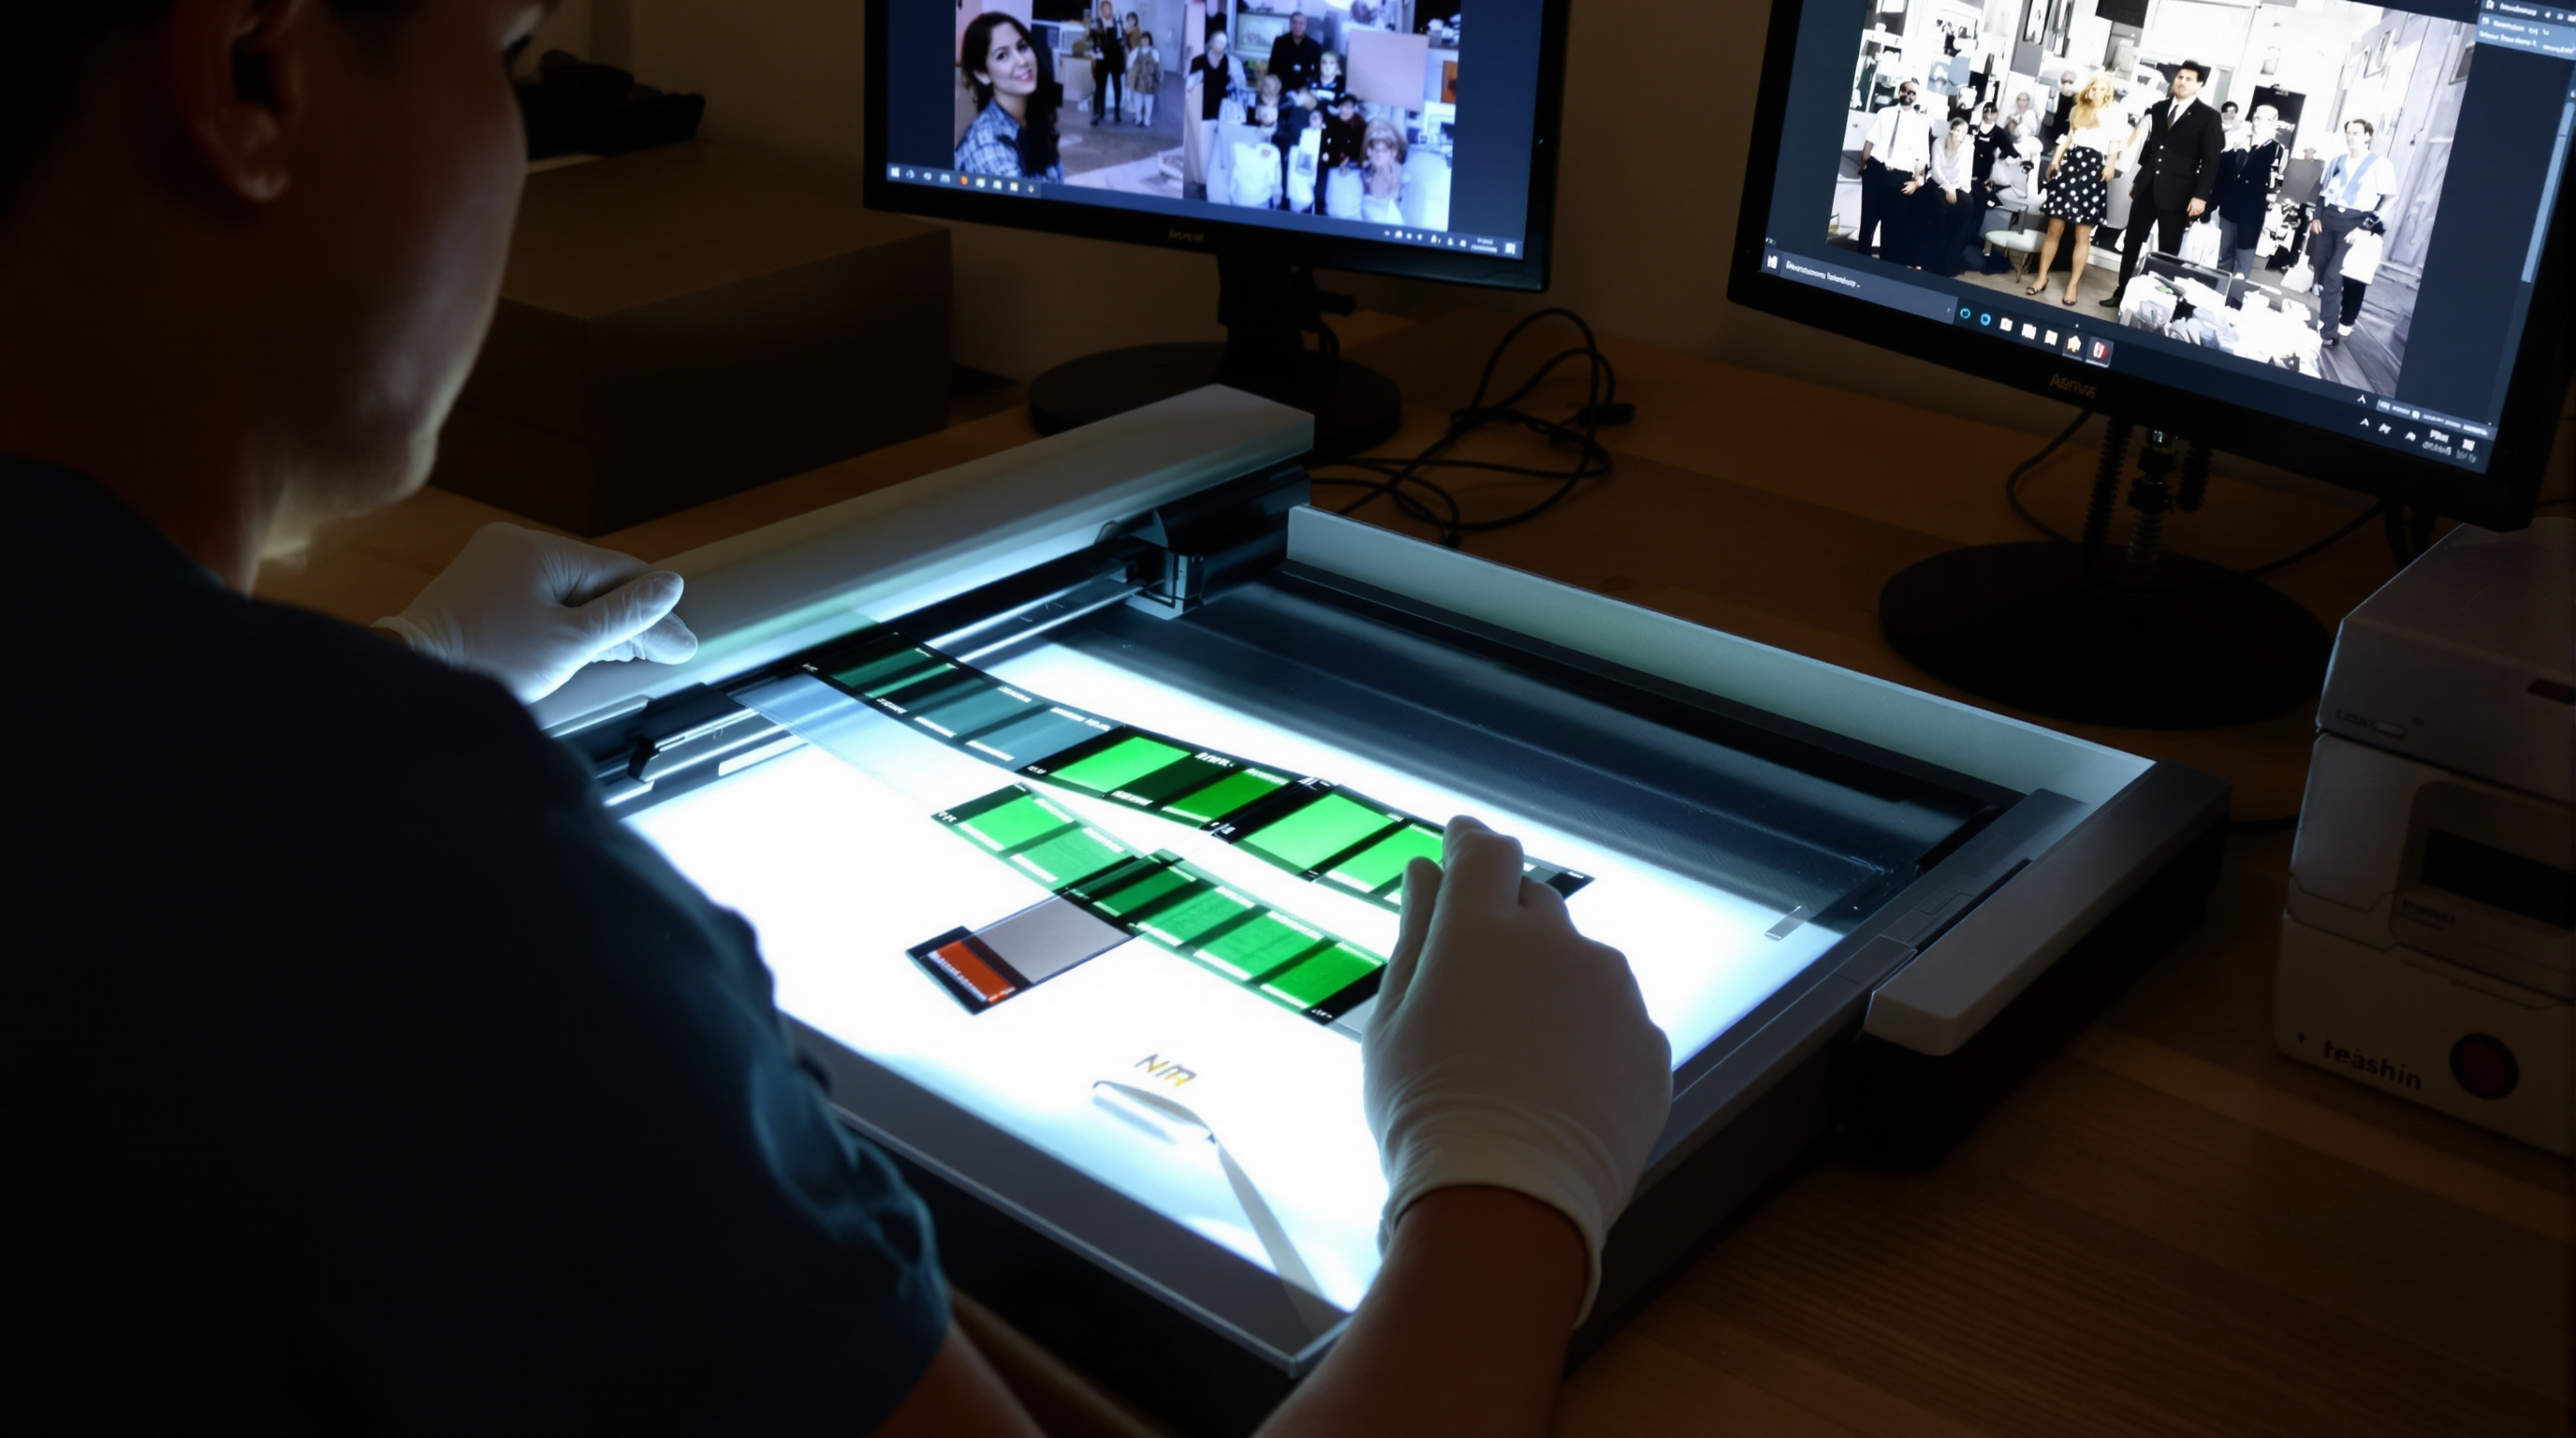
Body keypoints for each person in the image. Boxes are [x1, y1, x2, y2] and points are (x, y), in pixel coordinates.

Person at [2, 3, 1675, 1435]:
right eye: (510, 54)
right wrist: (1508, 1187)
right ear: (249, 74)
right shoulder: (416, 891)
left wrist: (396, 670)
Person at [2107, 59, 2224, 307]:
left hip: (2180, 193)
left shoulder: (2208, 117)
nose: (2182, 82)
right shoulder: (2159, 108)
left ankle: (2158, 301)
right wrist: (2138, 182)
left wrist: (2200, 196)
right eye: (2179, 77)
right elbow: (2150, 150)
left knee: (2167, 250)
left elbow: (2212, 161)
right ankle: (2122, 292)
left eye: (2188, 79)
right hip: (2147, 188)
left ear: (2199, 85)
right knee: (2131, 241)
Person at [2025, 71, 2123, 305]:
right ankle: (2041, 278)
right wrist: (2056, 160)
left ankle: (2072, 285)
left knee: (2082, 234)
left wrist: (2110, 164)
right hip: (2071, 166)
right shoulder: (2077, 109)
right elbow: (2068, 137)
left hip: (2092, 169)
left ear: (2107, 92)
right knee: (2054, 228)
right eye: (2092, 88)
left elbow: (2115, 142)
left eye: (2100, 89)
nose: (2095, 92)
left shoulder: (2113, 113)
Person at [2309, 118, 2398, 348]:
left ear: (2368, 136)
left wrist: (2365, 226)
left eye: (2356, 133)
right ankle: (2325, 321)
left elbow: (2389, 198)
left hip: (2354, 223)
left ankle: (2329, 332)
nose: (2351, 137)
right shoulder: (2336, 161)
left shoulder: (2380, 164)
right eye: (2348, 133)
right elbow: (2322, 192)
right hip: (2329, 220)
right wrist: (2317, 216)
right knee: (2320, 271)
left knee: (2333, 275)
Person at [957, 12, 1064, 183]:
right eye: (1002, 55)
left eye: (1022, 47)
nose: (1022, 61)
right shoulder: (987, 144)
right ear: (983, 74)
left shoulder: (1033, 117)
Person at [1855, 80, 1934, 258]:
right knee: (1867, 224)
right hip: (1876, 172)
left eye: (1912, 92)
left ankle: (1883, 274)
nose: (1908, 95)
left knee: (1891, 230)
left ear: (1916, 97)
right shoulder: (1884, 113)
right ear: (1899, 93)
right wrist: (1864, 165)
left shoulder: (1922, 123)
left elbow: (1921, 157)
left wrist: (1917, 181)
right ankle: (1859, 266)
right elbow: (1870, 141)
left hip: (1900, 179)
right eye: (1905, 91)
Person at [2212, 103, 2285, 278]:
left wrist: (2269, 213)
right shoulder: (2239, 142)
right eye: (2256, 117)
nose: (2259, 122)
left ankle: (2234, 301)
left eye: (2266, 119)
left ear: (2274, 122)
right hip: (2229, 208)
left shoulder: (2276, 150)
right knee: (2223, 258)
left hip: (2252, 213)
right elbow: (2223, 174)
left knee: (2243, 262)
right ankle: (2218, 293)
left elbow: (2274, 186)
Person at [1914, 115, 1984, 274]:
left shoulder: (1968, 147)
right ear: (1952, 130)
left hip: (1958, 185)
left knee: (1966, 205)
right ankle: (1925, 259)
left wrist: (1953, 187)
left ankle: (1948, 263)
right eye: (1958, 130)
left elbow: (1965, 173)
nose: (1960, 134)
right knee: (1937, 205)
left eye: (1964, 132)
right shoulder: (1939, 142)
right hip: (1940, 182)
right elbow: (1936, 168)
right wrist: (1947, 186)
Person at [1361, 117, 1408, 224]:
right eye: (1373, 148)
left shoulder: (1392, 171)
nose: (1377, 153)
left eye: (1383, 150)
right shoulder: (1367, 168)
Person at [1088, 0, 1127, 127]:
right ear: (1101, 10)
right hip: (1102, 57)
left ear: (1111, 9)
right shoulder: (1096, 23)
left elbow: (1122, 39)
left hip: (1115, 57)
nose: (1106, 11)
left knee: (1117, 86)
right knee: (1100, 87)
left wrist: (1123, 42)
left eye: (1108, 8)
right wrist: (1095, 52)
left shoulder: (1117, 22)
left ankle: (1117, 113)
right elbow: (1091, 39)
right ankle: (1099, 113)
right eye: (1104, 8)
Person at [1267, 8, 1325, 95]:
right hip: (1281, 88)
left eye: (1301, 23)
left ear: (1306, 25)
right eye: (1294, 23)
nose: (1297, 26)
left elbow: (1317, 73)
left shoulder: (1314, 46)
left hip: (1304, 90)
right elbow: (1272, 67)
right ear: (1290, 23)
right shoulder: (1280, 42)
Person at [1128, 22, 1161, 126]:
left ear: (1150, 41)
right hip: (1138, 81)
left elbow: (1157, 67)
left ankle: (1147, 119)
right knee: (1138, 101)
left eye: (1147, 39)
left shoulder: (1154, 52)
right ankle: (1138, 118)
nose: (1144, 41)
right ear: (1140, 40)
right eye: (1143, 39)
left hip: (1150, 82)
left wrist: (1156, 77)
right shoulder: (1135, 51)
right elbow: (1129, 64)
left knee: (1149, 102)